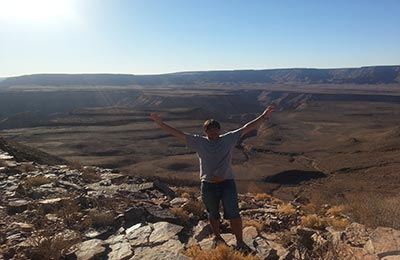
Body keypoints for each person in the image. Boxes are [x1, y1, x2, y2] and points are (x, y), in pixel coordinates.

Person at [150, 105, 275, 252]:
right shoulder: (199, 141)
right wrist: (161, 124)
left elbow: (247, 127)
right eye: (210, 130)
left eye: (215, 129)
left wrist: (264, 116)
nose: (213, 132)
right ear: (206, 131)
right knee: (212, 213)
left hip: (227, 183)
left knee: (234, 213)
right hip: (208, 184)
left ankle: (240, 241)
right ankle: (217, 237)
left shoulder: (228, 138)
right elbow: (179, 134)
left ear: (219, 130)